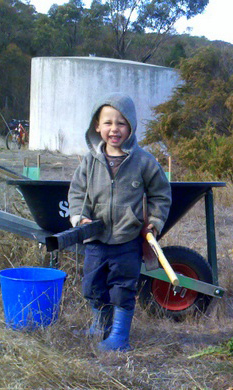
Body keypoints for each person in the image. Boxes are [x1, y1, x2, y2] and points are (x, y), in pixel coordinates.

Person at [68, 93, 171, 351]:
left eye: (121, 123)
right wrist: (79, 217)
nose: (114, 129)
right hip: (96, 238)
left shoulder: (144, 162)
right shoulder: (90, 161)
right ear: (97, 126)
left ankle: (118, 337)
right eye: (108, 123)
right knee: (92, 286)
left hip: (127, 240)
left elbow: (161, 194)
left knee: (123, 288)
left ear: (131, 127)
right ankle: (100, 325)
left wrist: (154, 222)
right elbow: (77, 192)